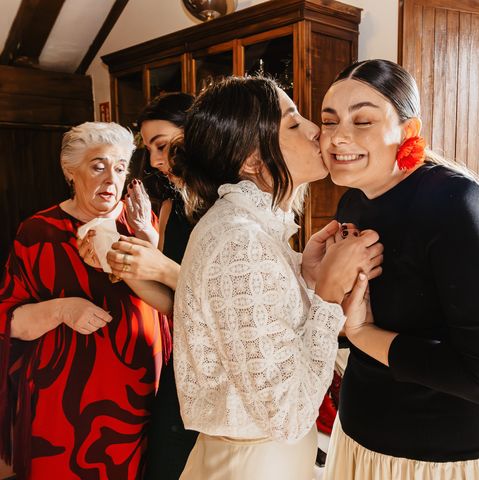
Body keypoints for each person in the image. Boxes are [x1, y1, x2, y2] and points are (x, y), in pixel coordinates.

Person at [320, 59, 479, 479]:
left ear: (408, 130)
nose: (338, 136)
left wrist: (364, 333)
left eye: (362, 120)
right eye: (329, 122)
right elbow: (348, 317)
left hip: (447, 457)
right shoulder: (353, 202)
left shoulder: (456, 204)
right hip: (360, 440)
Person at [170, 76, 383, 480]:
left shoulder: (251, 230)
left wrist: (302, 276)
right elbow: (287, 416)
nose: (315, 130)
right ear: (251, 161)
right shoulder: (239, 241)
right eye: (292, 123)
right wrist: (327, 297)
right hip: (253, 466)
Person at [0, 122, 165, 479]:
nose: (111, 179)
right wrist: (62, 309)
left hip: (139, 397)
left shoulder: (140, 221)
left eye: (120, 168)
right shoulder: (37, 232)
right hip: (63, 404)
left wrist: (148, 236)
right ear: (71, 172)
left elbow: (172, 299)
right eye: (98, 165)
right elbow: (8, 319)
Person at [104, 92, 198, 480]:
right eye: (151, 150)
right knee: (164, 464)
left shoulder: (237, 206)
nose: (156, 161)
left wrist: (162, 267)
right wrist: (129, 268)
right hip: (184, 366)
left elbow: (225, 298)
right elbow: (176, 304)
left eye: (162, 145)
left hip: (227, 370)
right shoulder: (170, 208)